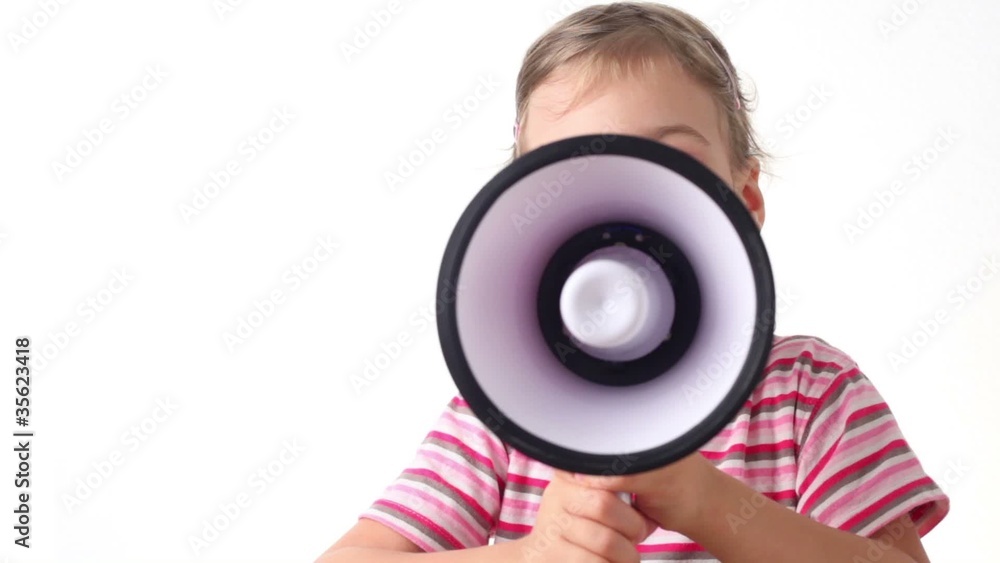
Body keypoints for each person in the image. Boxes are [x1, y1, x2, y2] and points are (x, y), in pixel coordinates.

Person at [317, 3, 949, 561]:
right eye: (573, 169)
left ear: (746, 198)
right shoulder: (502, 411)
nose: (629, 191)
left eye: (673, 160)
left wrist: (702, 499)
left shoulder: (808, 393)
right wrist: (531, 555)